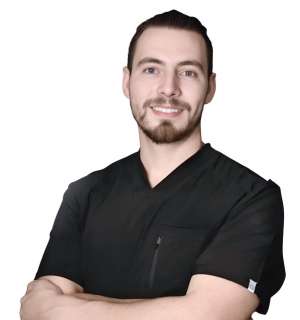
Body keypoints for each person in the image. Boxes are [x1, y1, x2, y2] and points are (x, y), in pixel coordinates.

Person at [20, 9, 285, 320]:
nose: (168, 88)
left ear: (210, 87)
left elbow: (209, 315)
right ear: (126, 81)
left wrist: (69, 308)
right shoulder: (86, 194)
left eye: (188, 72)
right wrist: (177, 307)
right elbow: (38, 309)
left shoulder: (250, 197)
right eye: (151, 70)